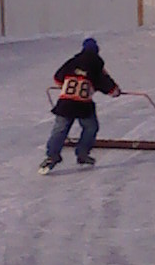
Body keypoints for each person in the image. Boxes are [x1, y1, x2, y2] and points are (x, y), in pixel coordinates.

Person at [41, 36, 120, 171]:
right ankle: (82, 153)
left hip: (65, 103)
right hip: (83, 106)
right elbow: (108, 87)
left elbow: (57, 79)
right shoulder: (96, 64)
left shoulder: (72, 61)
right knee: (91, 127)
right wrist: (116, 91)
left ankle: (51, 156)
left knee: (60, 129)